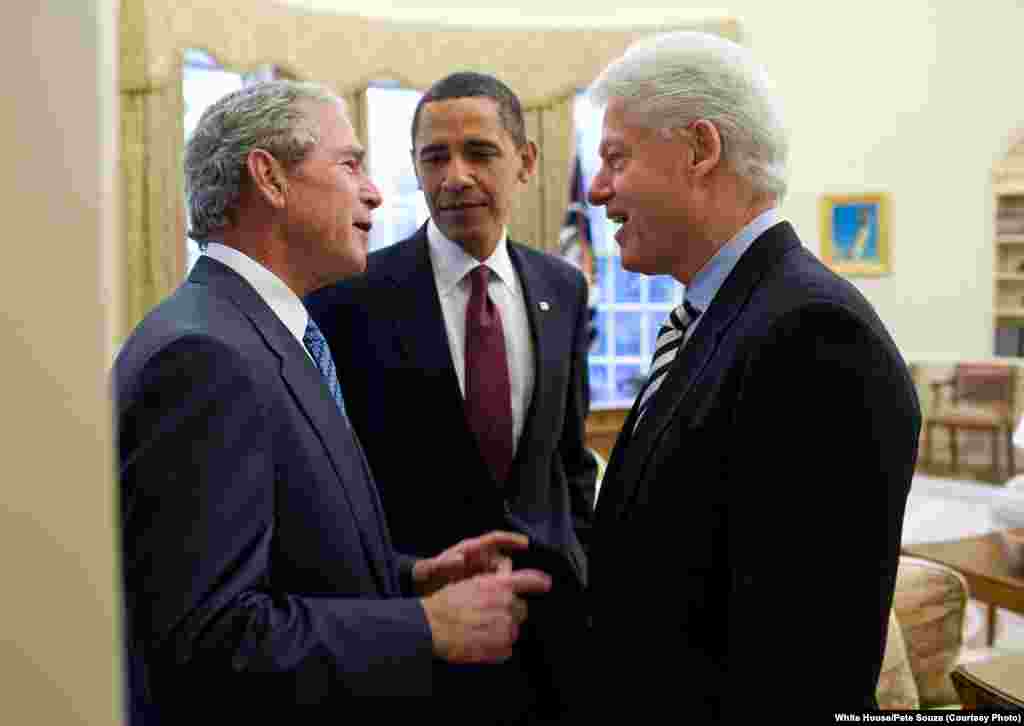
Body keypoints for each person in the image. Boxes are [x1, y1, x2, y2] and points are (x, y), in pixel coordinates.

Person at [113, 80, 552, 720]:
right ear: (269, 178)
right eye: (350, 164)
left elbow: (286, 561)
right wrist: (423, 627)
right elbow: (208, 640)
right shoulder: (204, 358)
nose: (374, 190)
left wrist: (406, 578)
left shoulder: (259, 331)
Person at [581, 32, 921, 719]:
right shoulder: (725, 313)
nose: (596, 190)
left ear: (700, 150)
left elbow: (802, 664)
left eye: (616, 157)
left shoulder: (815, 334)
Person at [305, 72, 596, 720]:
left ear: (525, 161)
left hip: (552, 634)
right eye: (434, 157)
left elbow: (569, 459)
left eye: (479, 153)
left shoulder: (563, 289)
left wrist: (582, 563)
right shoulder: (349, 296)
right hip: (417, 637)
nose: (455, 176)